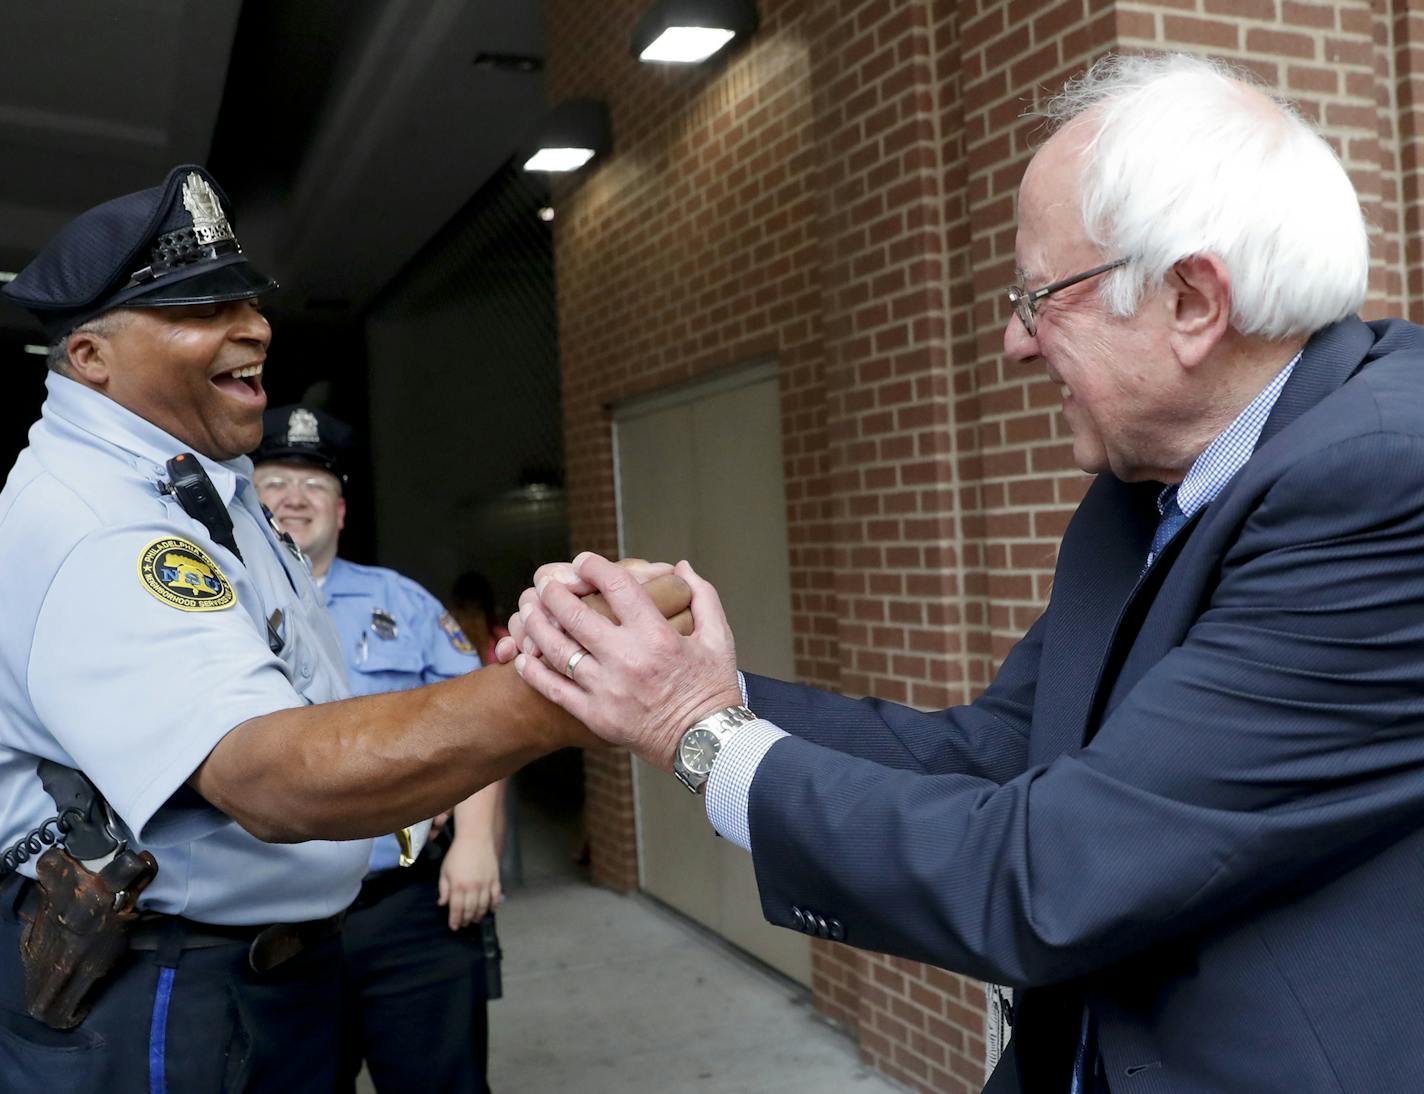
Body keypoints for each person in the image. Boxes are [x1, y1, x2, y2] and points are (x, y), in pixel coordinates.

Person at [504, 54, 1424, 1092]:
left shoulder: (1382, 482)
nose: (1011, 342)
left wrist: (696, 734)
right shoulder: (1144, 482)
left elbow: (1049, 871)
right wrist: (680, 685)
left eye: (1038, 297)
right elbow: (997, 753)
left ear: (1189, 300)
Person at [0, 164, 688, 1091]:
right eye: (201, 308)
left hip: (269, 963)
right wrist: (574, 680)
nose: (252, 326)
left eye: (247, 300)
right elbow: (270, 777)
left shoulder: (203, 479)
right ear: (91, 357)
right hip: (165, 979)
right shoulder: (103, 524)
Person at [253, 407, 504, 1093]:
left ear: (341, 510)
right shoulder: (214, 606)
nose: (293, 499)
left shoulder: (404, 603)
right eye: (274, 482)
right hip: (271, 921)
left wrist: (476, 842)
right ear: (246, 500)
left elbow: (482, 730)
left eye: (314, 486)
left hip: (403, 907)